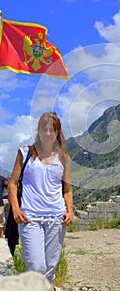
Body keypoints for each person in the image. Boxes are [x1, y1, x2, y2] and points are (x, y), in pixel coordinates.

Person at [8, 112, 73, 285]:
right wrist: (15, 208)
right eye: (44, 130)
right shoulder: (25, 153)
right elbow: (13, 184)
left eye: (52, 130)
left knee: (50, 268)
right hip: (30, 217)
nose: (48, 133)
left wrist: (70, 211)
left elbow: (67, 189)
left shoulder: (64, 158)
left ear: (58, 132)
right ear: (39, 131)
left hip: (56, 217)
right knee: (37, 266)